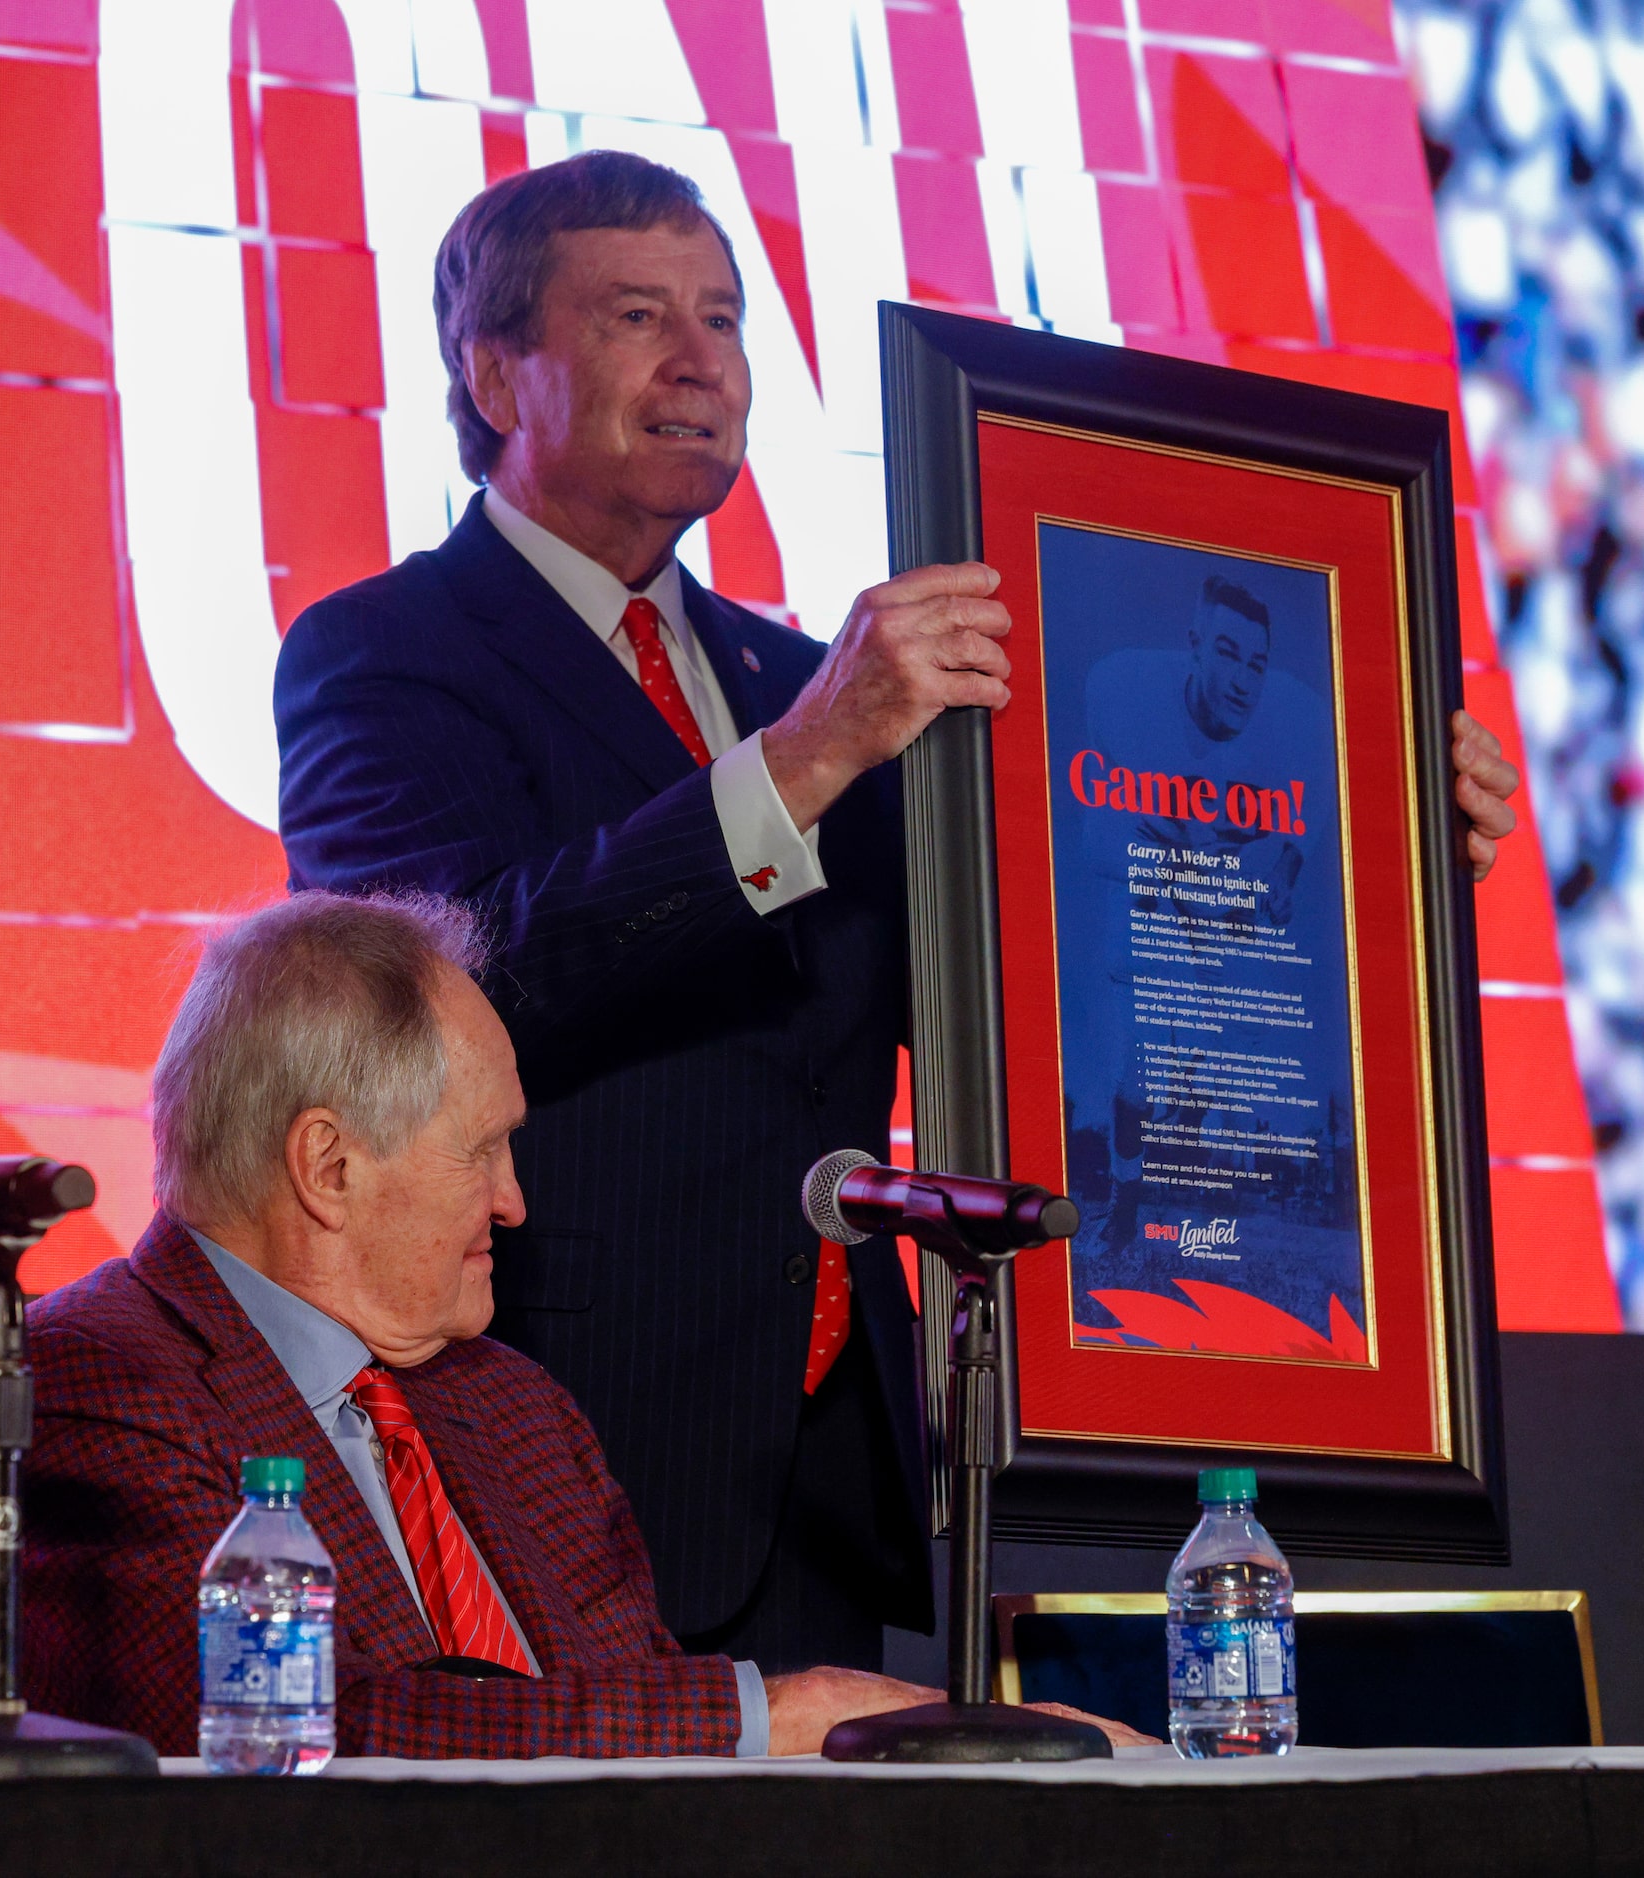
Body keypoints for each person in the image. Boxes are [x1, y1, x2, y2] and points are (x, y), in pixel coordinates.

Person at [273, 151, 1524, 1672]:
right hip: (545, 1434)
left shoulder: (808, 672)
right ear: (492, 368)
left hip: (818, 1464)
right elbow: (449, 984)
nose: (703, 363)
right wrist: (810, 754)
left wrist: (1367, 846)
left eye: (726, 320)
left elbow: (1059, 969)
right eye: (637, 317)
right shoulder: (387, 652)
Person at [0, 892, 1143, 1757]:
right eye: (481, 1152)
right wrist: (783, 1711)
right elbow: (280, 1728)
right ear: (328, 1166)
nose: (514, 1201)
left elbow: (634, 1714)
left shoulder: (510, 1402)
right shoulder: (94, 1377)